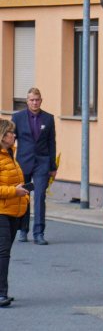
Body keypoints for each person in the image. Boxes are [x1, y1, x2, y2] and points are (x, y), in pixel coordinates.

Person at [12, 88, 57, 245]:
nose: (35, 102)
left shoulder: (49, 118)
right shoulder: (17, 118)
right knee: (23, 195)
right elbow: (10, 140)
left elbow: (52, 143)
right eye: (32, 100)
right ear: (27, 101)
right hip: (23, 163)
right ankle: (23, 230)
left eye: (37, 100)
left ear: (41, 100)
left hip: (42, 164)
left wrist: (53, 167)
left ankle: (39, 233)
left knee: (39, 196)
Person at [0, 119, 30, 306]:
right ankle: (1, 293)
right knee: (3, 253)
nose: (14, 135)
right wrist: (14, 192)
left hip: (14, 210)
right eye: (11, 132)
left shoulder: (11, 154)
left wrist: (23, 195)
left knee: (5, 252)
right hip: (2, 211)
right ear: (3, 136)